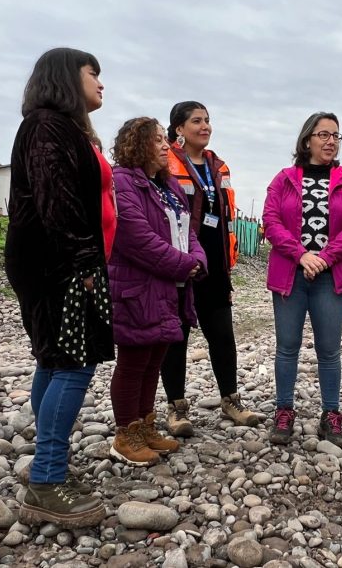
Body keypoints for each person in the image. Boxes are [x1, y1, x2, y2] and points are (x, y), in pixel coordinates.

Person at [5, 47, 111, 528]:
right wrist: (85, 262)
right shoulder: (48, 126)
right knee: (73, 362)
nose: (101, 83)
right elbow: (57, 203)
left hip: (50, 263)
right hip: (59, 265)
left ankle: (50, 466)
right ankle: (46, 480)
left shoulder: (55, 127)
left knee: (53, 358)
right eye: (94, 74)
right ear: (68, 77)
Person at [107, 117, 207, 465]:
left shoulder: (167, 185)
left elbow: (190, 230)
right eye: (158, 141)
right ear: (137, 144)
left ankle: (146, 425)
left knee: (154, 360)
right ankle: (125, 433)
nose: (166, 146)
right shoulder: (122, 182)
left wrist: (196, 259)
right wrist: (184, 265)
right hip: (138, 287)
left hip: (170, 287)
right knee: (134, 361)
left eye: (166, 140)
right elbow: (135, 237)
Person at [263, 112, 342, 447]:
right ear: (307, 140)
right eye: (323, 134)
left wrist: (323, 257)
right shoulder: (284, 179)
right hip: (290, 275)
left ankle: (331, 414)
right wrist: (301, 254)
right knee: (287, 347)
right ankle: (284, 410)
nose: (331, 141)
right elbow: (271, 220)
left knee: (329, 350)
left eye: (336, 135)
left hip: (329, 277)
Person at [160, 101, 258, 436]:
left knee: (222, 334)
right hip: (180, 265)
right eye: (197, 121)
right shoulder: (166, 163)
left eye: (208, 120)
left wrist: (227, 262)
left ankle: (231, 399)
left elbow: (225, 216)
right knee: (177, 337)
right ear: (178, 129)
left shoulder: (219, 166)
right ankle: (176, 408)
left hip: (215, 265)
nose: (205, 126)